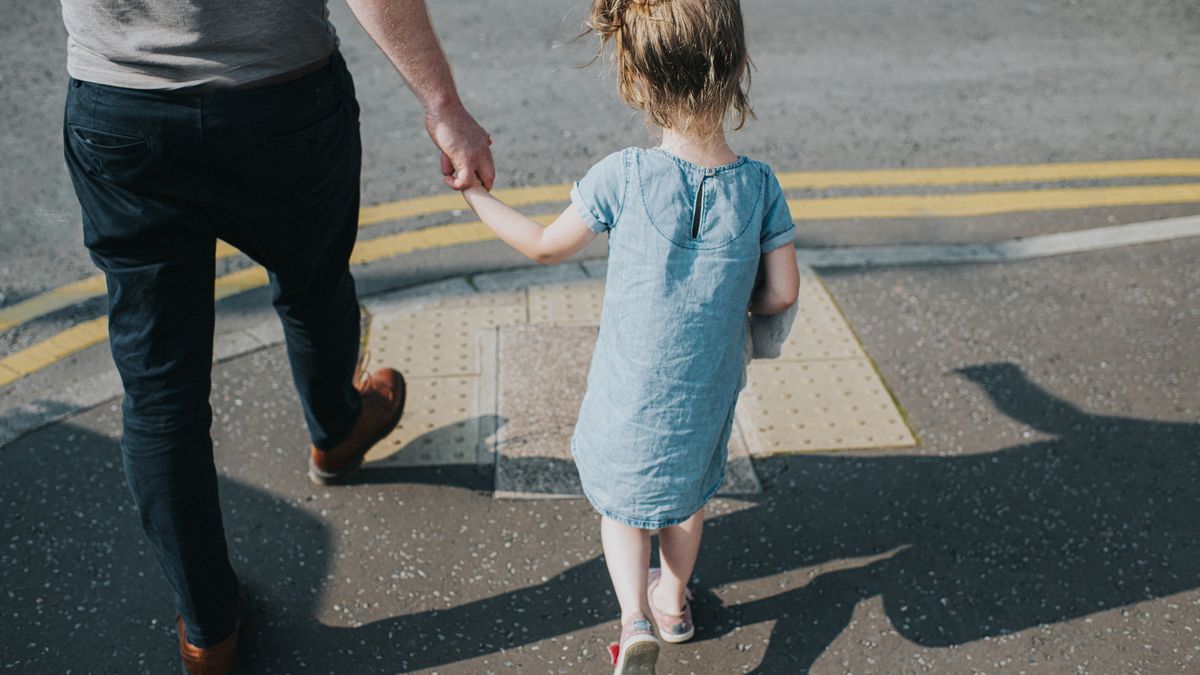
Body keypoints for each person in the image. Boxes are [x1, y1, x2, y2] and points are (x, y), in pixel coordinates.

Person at [59, 0, 494, 671]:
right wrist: (443, 105)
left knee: (160, 392)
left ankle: (209, 631)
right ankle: (337, 430)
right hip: (279, 101)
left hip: (121, 108)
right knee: (313, 287)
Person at [457, 1, 799, 671]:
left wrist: (476, 196)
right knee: (688, 500)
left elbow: (544, 247)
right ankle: (672, 600)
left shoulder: (625, 176)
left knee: (624, 509)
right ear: (739, 68)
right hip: (700, 403)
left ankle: (633, 616)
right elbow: (783, 290)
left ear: (635, 81)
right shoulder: (759, 187)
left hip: (624, 401)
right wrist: (739, 302)